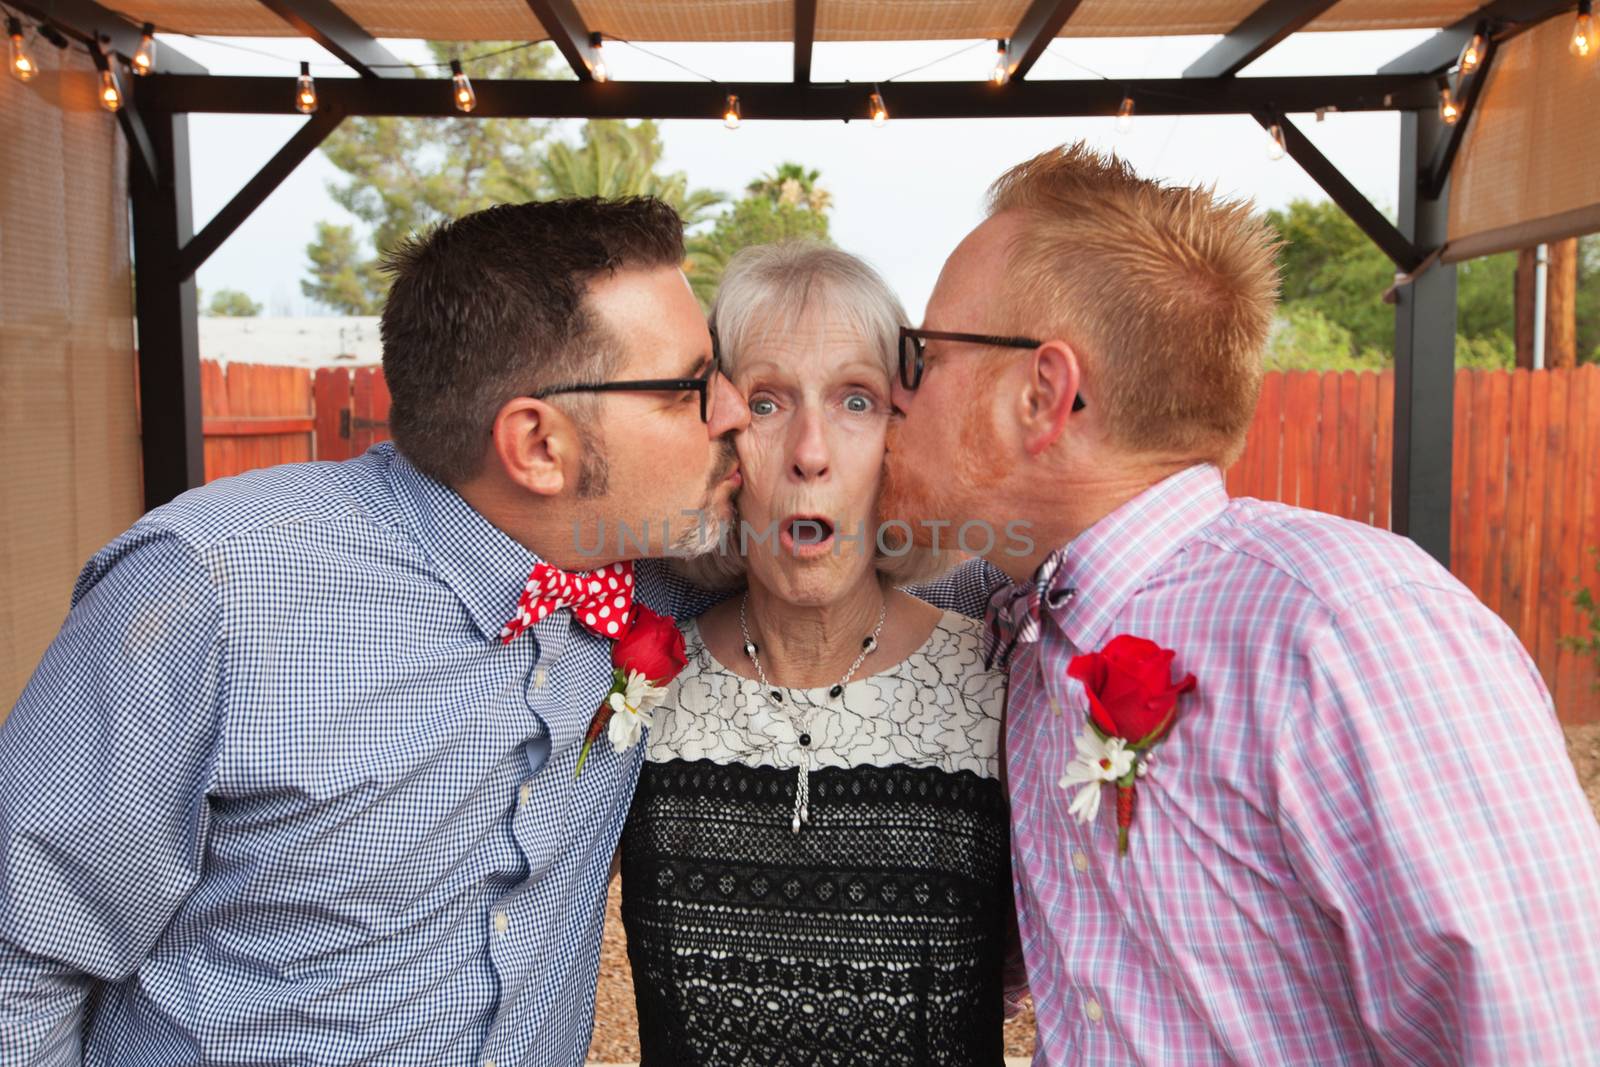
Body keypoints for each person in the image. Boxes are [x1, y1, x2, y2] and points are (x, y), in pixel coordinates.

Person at [882, 144, 1600, 1064]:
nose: (899, 393)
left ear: (1043, 393)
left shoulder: (1346, 627)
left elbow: (1547, 1035)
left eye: (927, 355)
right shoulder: (1024, 635)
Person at [0, 198, 750, 1065]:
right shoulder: (213, 589)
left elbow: (886, 566)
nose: (732, 409)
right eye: (688, 387)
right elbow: (21, 958)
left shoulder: (669, 578)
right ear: (539, 446)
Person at [619, 243, 1017, 1065]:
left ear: (900, 442)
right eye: (765, 403)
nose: (810, 452)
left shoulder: (1001, 681)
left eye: (856, 401)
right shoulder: (639, 682)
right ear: (721, 446)